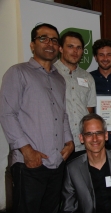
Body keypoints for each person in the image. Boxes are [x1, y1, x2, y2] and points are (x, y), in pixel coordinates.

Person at [0, 23, 74, 213]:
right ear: (32, 45)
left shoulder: (59, 79)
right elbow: (7, 113)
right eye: (43, 38)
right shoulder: (17, 72)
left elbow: (62, 114)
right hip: (30, 163)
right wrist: (27, 150)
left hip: (56, 162)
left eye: (54, 39)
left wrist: (69, 142)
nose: (49, 43)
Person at [54, 31, 96, 156]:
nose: (75, 51)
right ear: (60, 48)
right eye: (70, 46)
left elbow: (89, 110)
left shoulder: (87, 77)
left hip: (82, 143)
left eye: (79, 47)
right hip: (60, 144)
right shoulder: (50, 74)